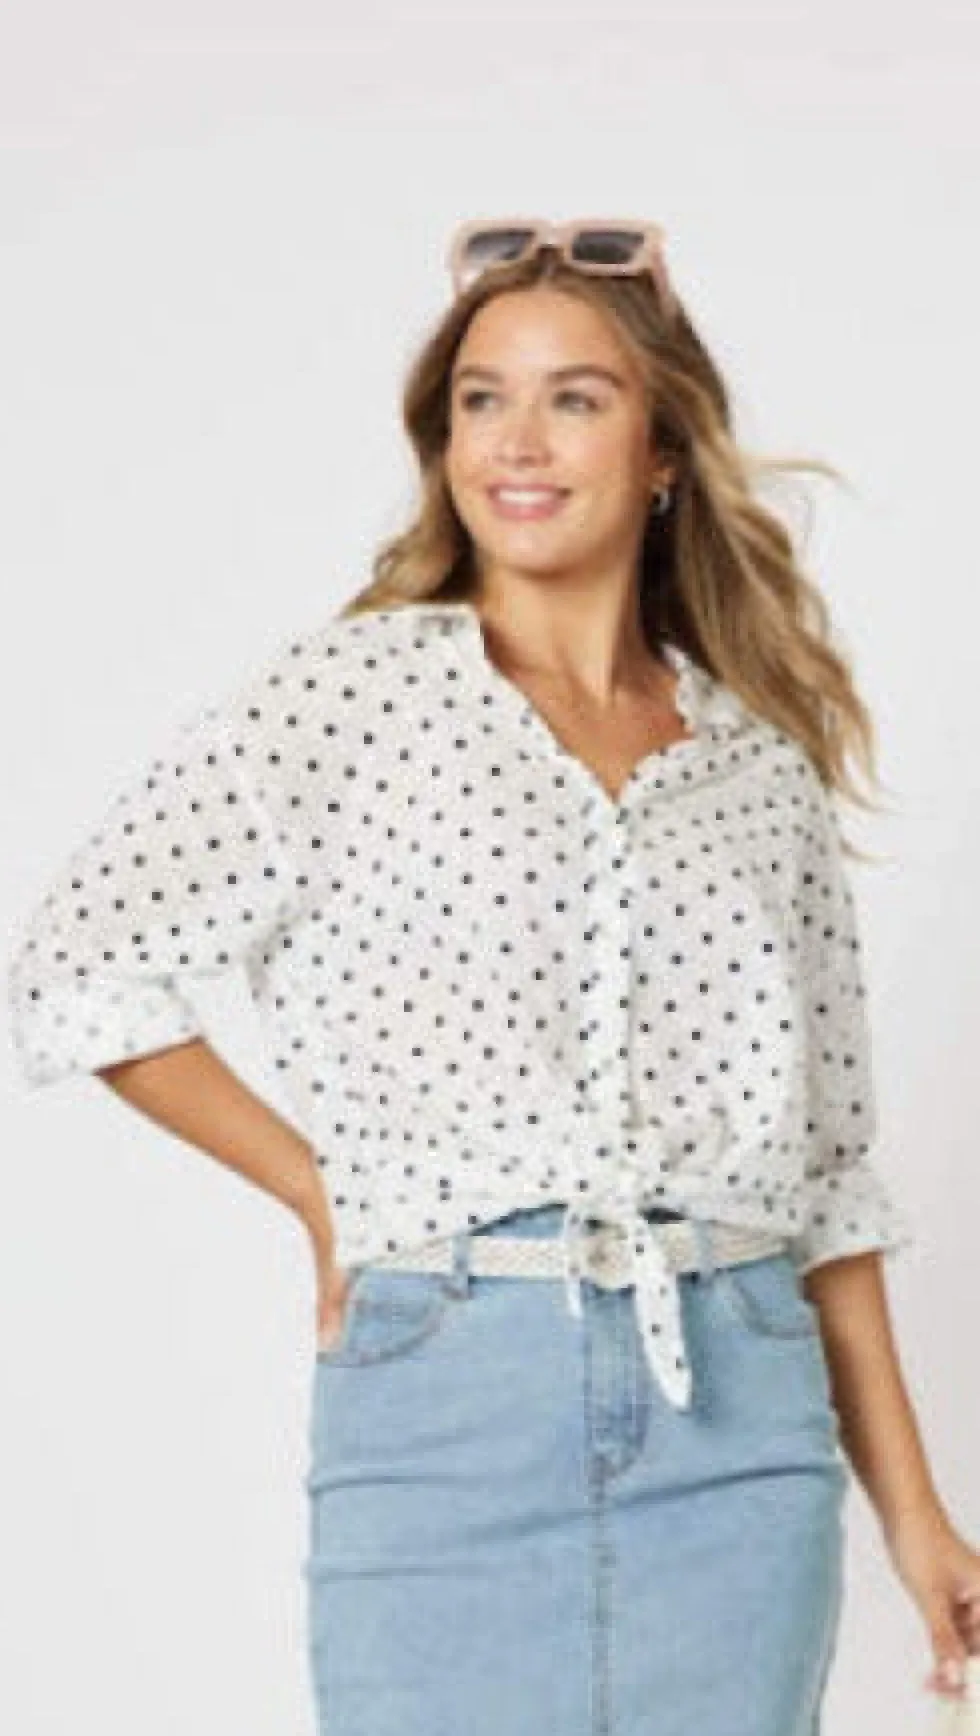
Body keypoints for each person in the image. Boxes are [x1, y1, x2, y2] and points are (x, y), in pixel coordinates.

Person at [8, 217, 980, 1735]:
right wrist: (322, 1192)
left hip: (738, 1413)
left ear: (664, 452)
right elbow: (78, 967)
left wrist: (919, 1521)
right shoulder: (350, 697)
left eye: (575, 398)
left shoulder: (758, 769)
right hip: (448, 1395)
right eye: (481, 398)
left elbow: (831, 1189)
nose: (516, 442)